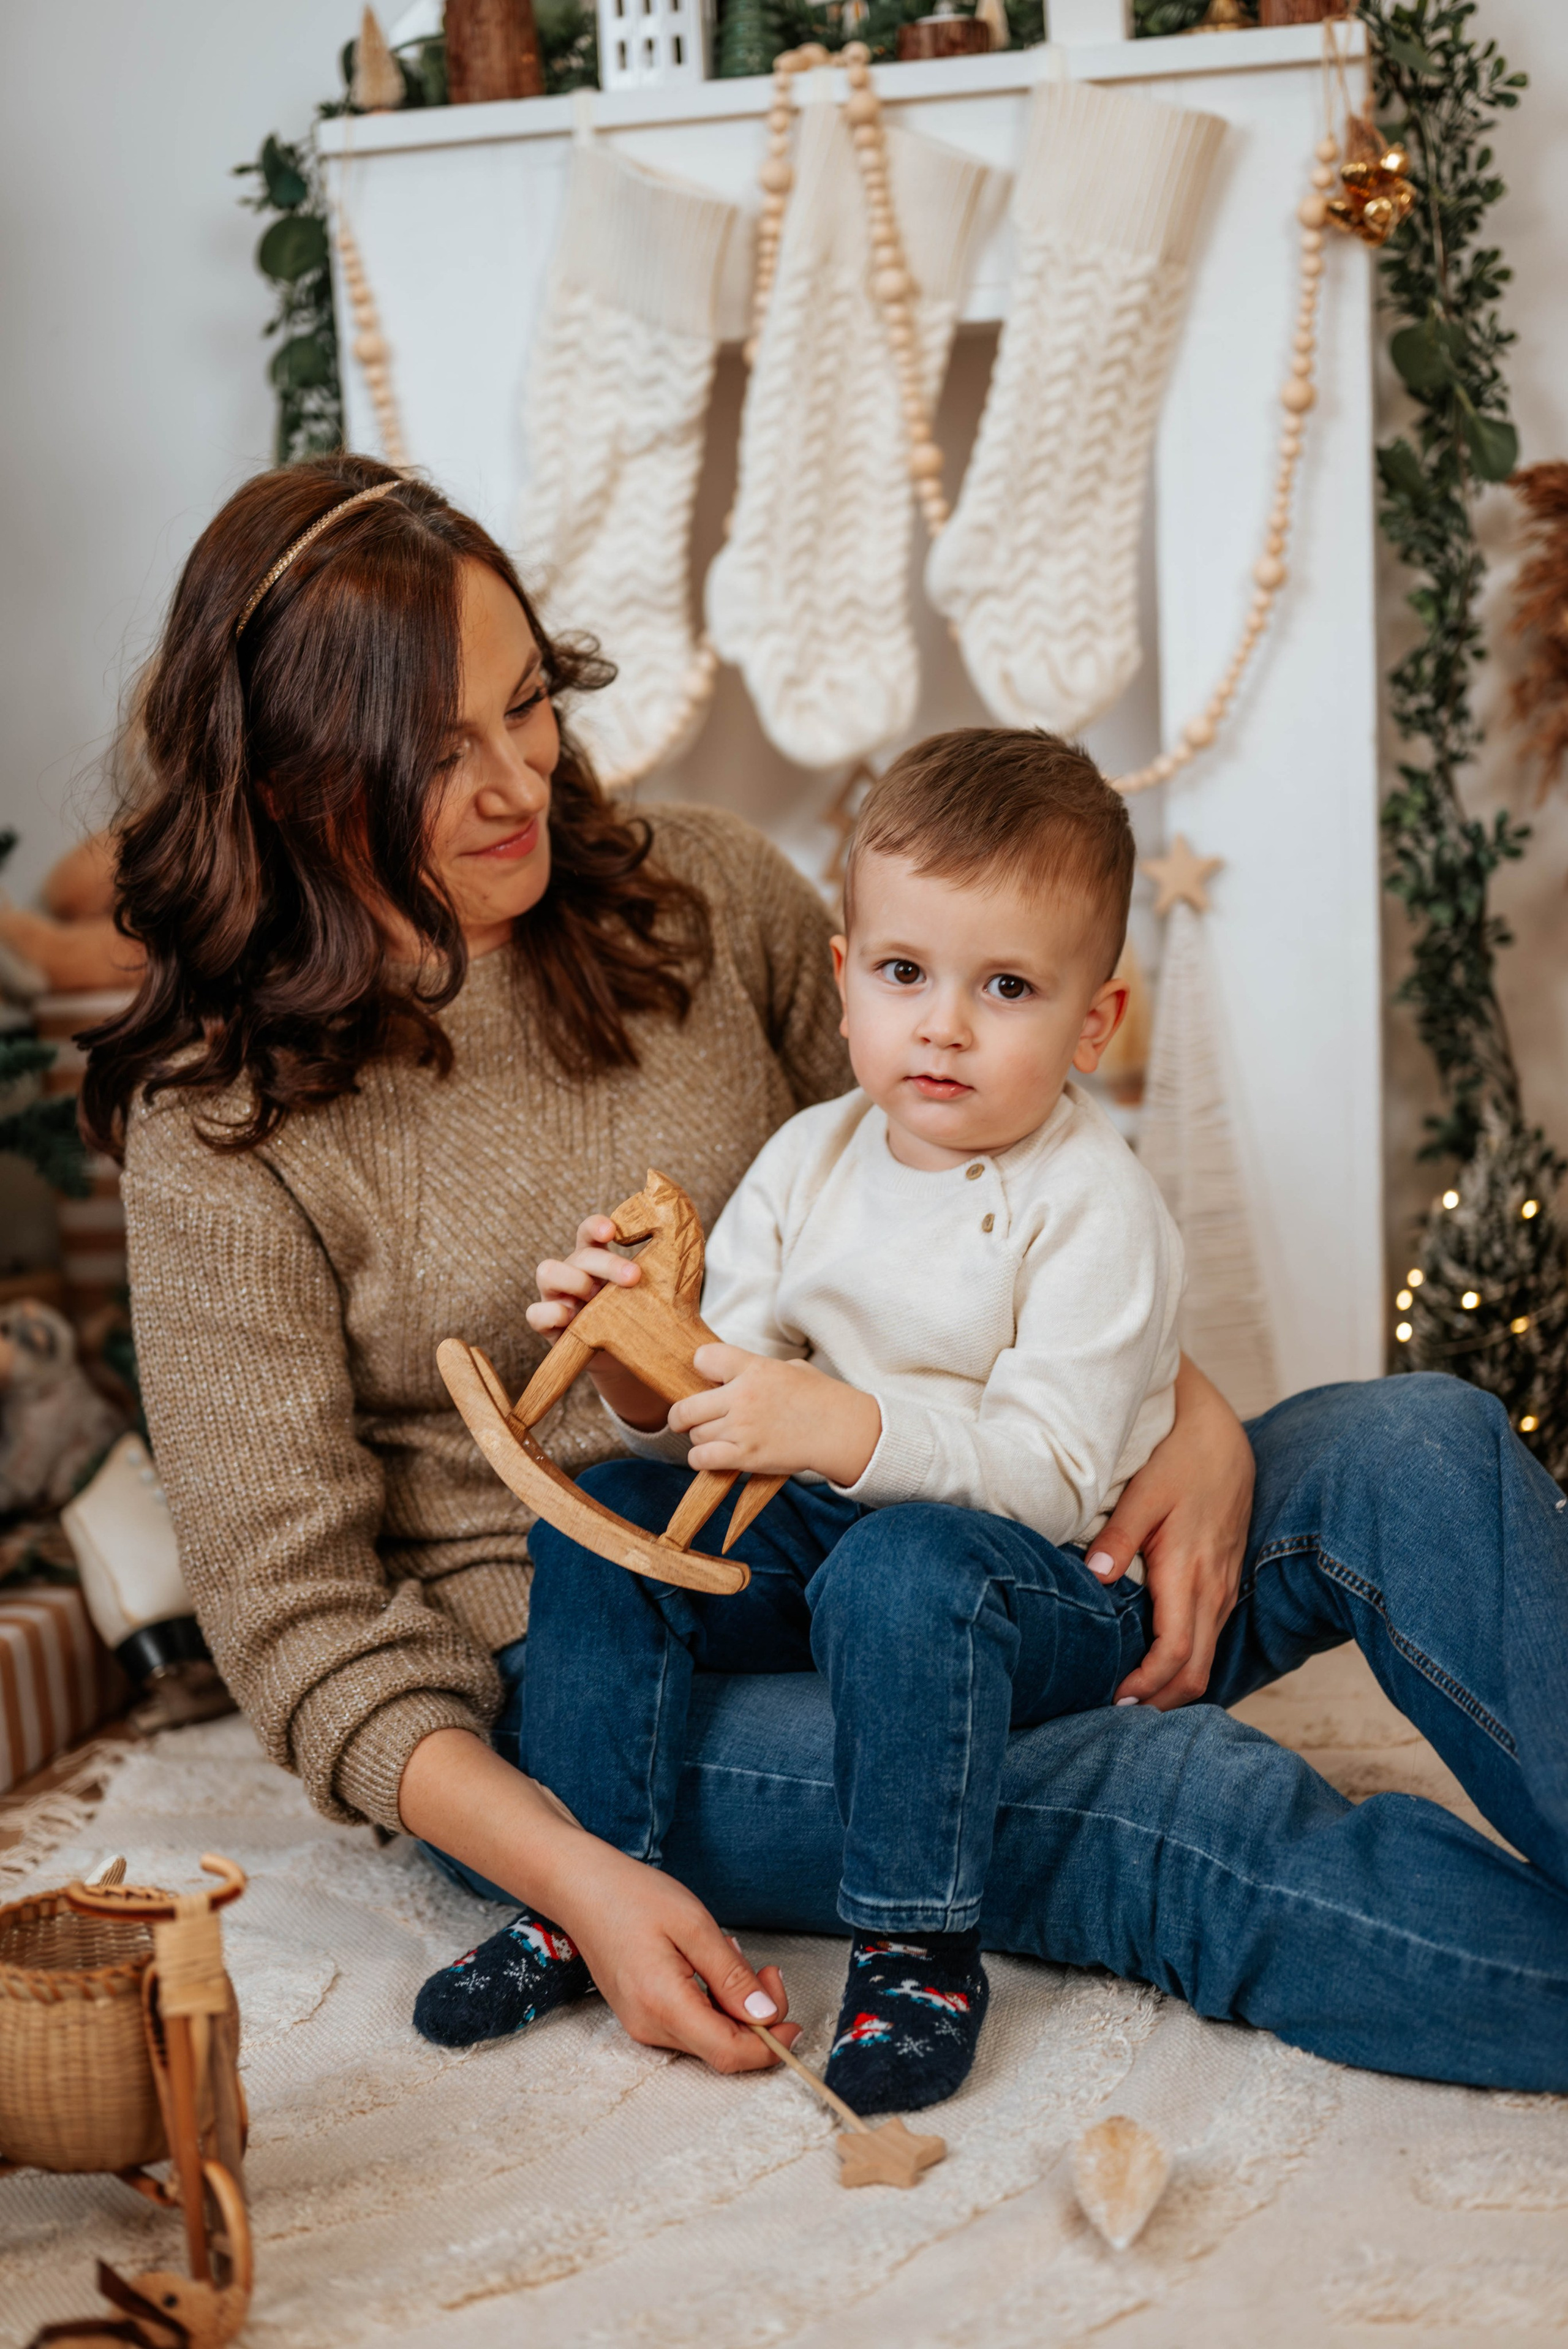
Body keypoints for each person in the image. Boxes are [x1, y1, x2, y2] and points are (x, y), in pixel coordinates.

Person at [83, 454, 1568, 2103]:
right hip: (617, 1682)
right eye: (436, 755)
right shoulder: (220, 1128)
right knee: (1171, 1804)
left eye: (525, 706)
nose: (519, 780)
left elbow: (955, 1168)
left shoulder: (706, 894)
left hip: (957, 1518)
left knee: (1420, 1447)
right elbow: (307, 1634)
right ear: (294, 782)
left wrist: (1193, 1414)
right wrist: (581, 1875)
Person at [435, 731, 1185, 2117]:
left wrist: (841, 1427)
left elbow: (1056, 1479)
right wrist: (638, 1358)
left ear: (1094, 1021)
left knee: (902, 1571)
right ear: (845, 978)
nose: (943, 1024)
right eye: (905, 973)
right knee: (610, 1528)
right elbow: (729, 1401)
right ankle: (589, 1887)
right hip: (823, 1525)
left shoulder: (1093, 1203)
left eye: (1005, 986)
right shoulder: (810, 1155)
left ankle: (915, 1942)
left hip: (1028, 1580)